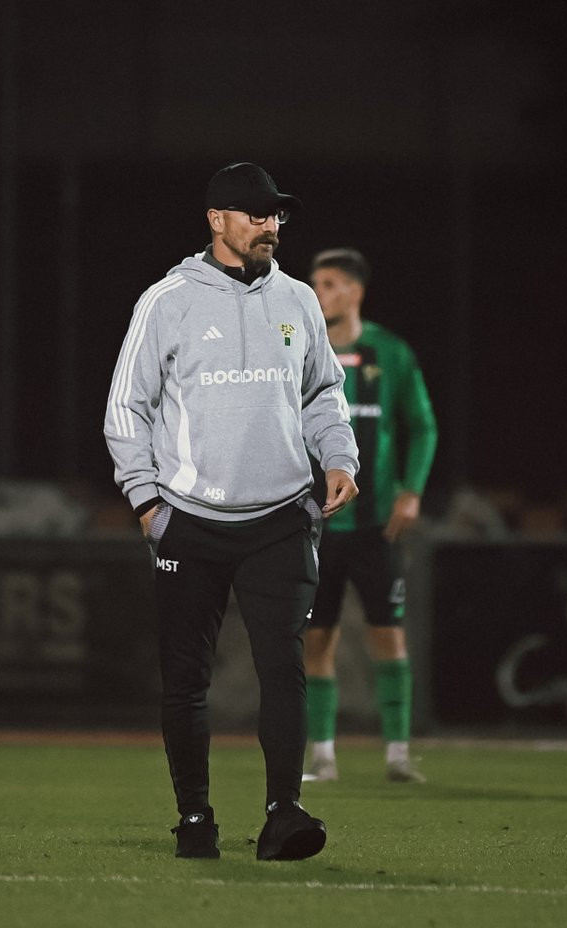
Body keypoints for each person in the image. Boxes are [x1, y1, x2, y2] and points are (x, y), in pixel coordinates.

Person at [105, 162, 359, 862]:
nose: (269, 225)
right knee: (187, 681)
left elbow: (323, 393)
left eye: (276, 214)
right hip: (189, 519)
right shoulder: (167, 300)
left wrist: (339, 458)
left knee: (284, 667)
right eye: (254, 213)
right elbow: (126, 406)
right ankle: (194, 818)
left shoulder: (300, 299)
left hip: (281, 517)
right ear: (217, 219)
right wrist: (147, 501)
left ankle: (284, 812)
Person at [304, 248, 437, 784]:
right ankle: (323, 757)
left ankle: (398, 754)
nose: (319, 292)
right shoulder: (299, 348)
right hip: (314, 526)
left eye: (330, 283)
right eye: (316, 282)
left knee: (389, 637)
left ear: (355, 291)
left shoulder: (391, 353)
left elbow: (422, 426)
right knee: (315, 642)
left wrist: (412, 492)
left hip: (377, 526)